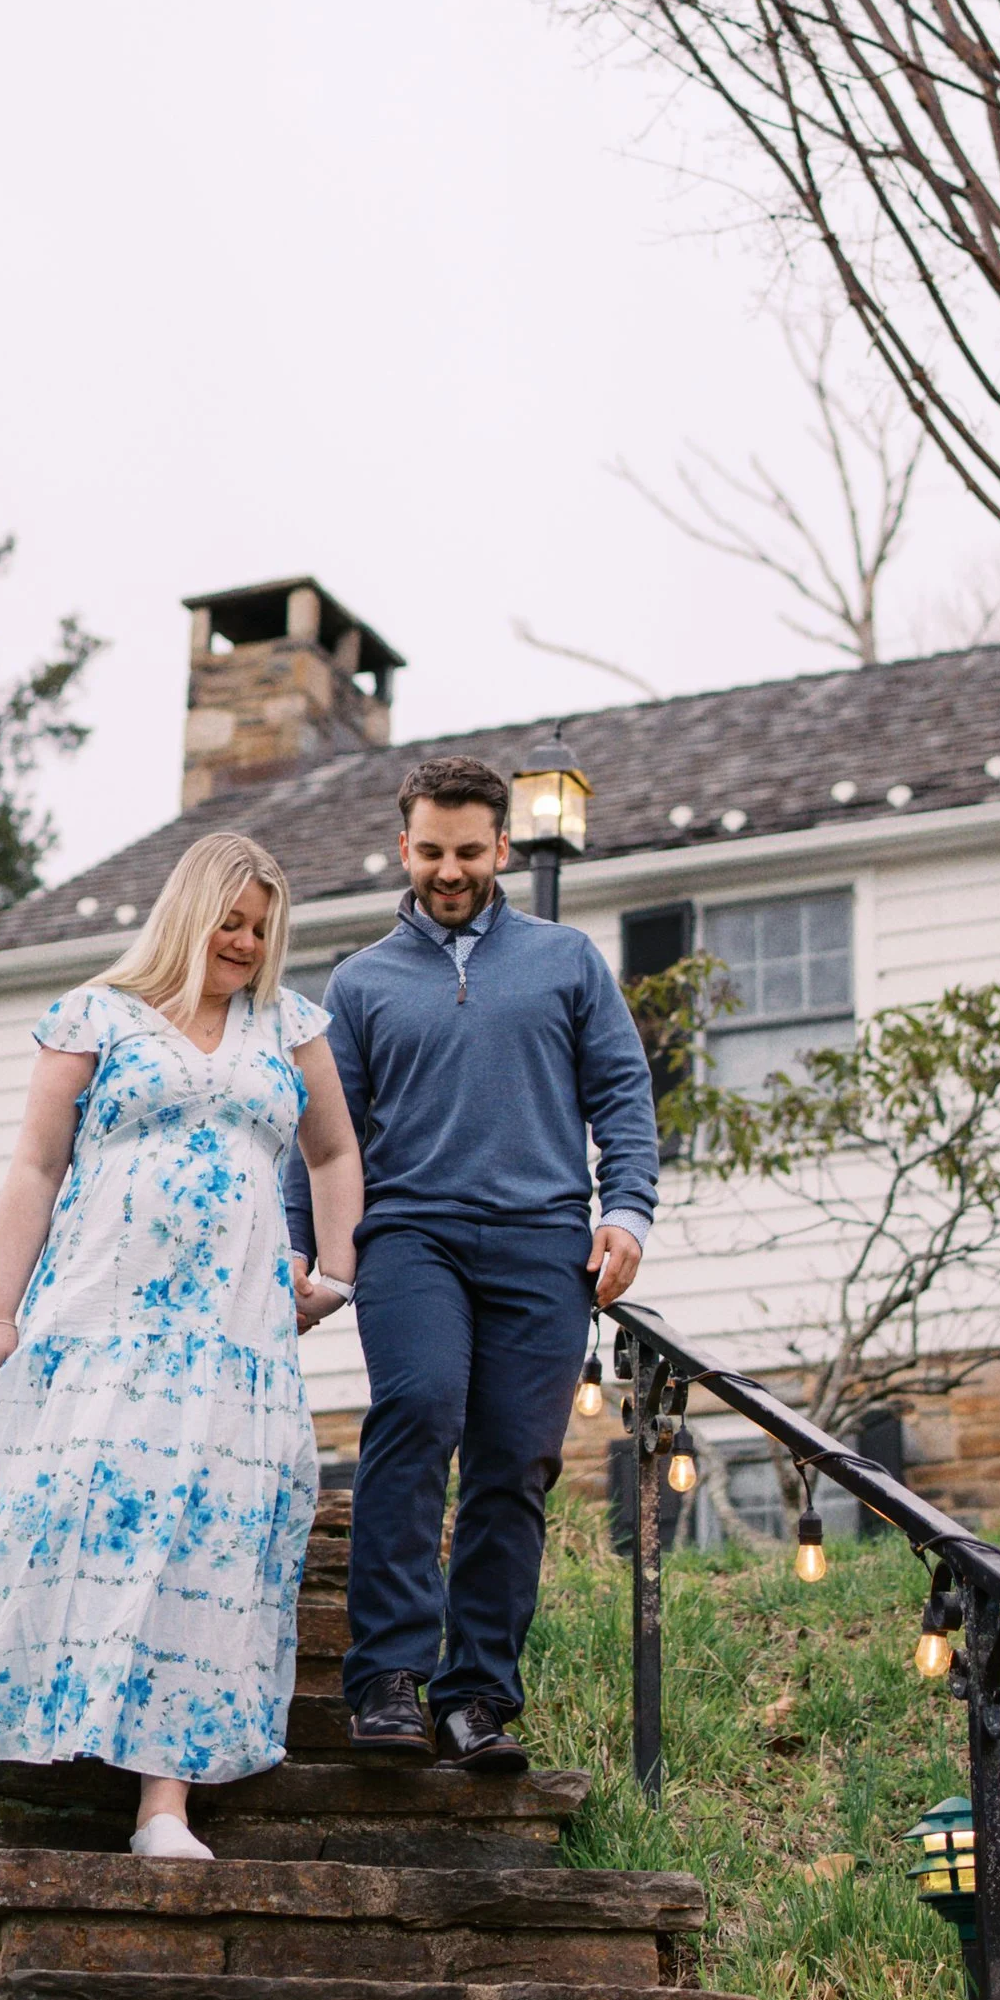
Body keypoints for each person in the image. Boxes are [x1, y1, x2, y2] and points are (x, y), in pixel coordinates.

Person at [0, 833, 363, 1860]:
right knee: (69, 1504)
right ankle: (10, 1724)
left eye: (262, 929)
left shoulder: (289, 1025)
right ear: (188, 915)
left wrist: (337, 1271)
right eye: (229, 922)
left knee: (204, 1538)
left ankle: (163, 1807)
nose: (244, 943)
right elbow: (35, 1167)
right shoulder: (98, 1015)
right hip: (102, 1315)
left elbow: (335, 1148)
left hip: (233, 1339)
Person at [297, 754, 660, 1772]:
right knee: (416, 1413)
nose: (447, 870)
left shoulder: (566, 959)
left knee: (514, 1464)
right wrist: (310, 1255)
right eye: (429, 851)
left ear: (501, 848)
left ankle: (474, 1699)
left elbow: (623, 1095)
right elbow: (325, 1138)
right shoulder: (361, 983)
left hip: (543, 1245)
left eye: (467, 851)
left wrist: (625, 1211)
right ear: (403, 848)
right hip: (410, 1236)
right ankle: (384, 1681)